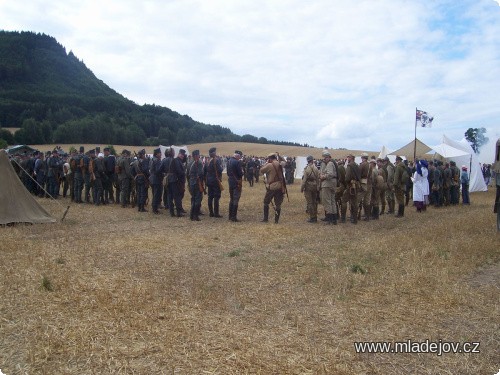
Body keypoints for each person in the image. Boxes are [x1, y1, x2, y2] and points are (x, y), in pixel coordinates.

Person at [260, 152, 286, 223]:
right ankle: (276, 221)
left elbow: (261, 171)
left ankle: (265, 219)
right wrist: (280, 156)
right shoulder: (281, 164)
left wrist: (266, 163)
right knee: (278, 204)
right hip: (280, 187)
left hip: (272, 187)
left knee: (266, 202)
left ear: (270, 158)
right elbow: (285, 161)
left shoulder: (269, 165)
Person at [319, 150, 338, 224]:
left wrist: (322, 176)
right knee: (332, 201)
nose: (324, 159)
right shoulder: (332, 163)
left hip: (327, 184)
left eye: (325, 157)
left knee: (327, 201)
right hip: (332, 184)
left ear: (328, 157)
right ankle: (334, 218)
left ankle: (330, 219)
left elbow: (330, 174)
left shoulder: (329, 164)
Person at [204, 147, 224, 218]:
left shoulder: (207, 161)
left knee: (210, 197)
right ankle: (216, 213)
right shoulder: (216, 160)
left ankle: (211, 213)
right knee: (216, 196)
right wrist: (221, 167)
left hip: (209, 181)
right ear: (214, 153)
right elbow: (220, 170)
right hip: (215, 181)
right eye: (215, 152)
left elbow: (205, 171)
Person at [167, 149, 187, 217]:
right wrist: (184, 172)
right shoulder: (177, 161)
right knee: (177, 197)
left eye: (183, 155)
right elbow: (179, 172)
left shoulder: (176, 160)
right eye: (181, 154)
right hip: (175, 181)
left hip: (170, 180)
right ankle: (178, 212)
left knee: (170, 197)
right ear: (179, 154)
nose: (182, 156)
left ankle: (172, 212)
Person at [301, 155, 320, 223]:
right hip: (315, 186)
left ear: (308, 161)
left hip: (308, 187)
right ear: (312, 160)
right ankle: (315, 216)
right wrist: (318, 187)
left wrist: (302, 188)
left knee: (310, 202)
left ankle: (312, 218)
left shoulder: (307, 169)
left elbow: (304, 180)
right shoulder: (316, 168)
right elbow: (318, 179)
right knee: (315, 202)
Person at [186, 150, 204, 221]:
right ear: (196, 155)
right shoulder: (198, 162)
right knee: (197, 199)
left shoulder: (189, 162)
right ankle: (195, 215)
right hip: (197, 183)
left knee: (193, 198)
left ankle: (191, 215)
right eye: (198, 155)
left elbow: (187, 174)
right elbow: (201, 173)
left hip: (191, 182)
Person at [227, 150, 244, 222]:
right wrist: (242, 172)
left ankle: (230, 215)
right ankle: (234, 217)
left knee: (231, 199)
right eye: (239, 157)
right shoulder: (237, 162)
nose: (240, 158)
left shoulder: (229, 161)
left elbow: (228, 173)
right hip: (237, 182)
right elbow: (240, 174)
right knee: (236, 199)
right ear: (238, 155)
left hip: (230, 182)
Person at [343, 153, 360, 224]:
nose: (347, 158)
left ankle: (343, 218)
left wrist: (346, 182)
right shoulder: (357, 165)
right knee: (355, 202)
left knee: (343, 201)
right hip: (356, 185)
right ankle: (355, 219)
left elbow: (347, 178)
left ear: (351, 158)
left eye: (348, 157)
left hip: (350, 186)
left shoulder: (349, 166)